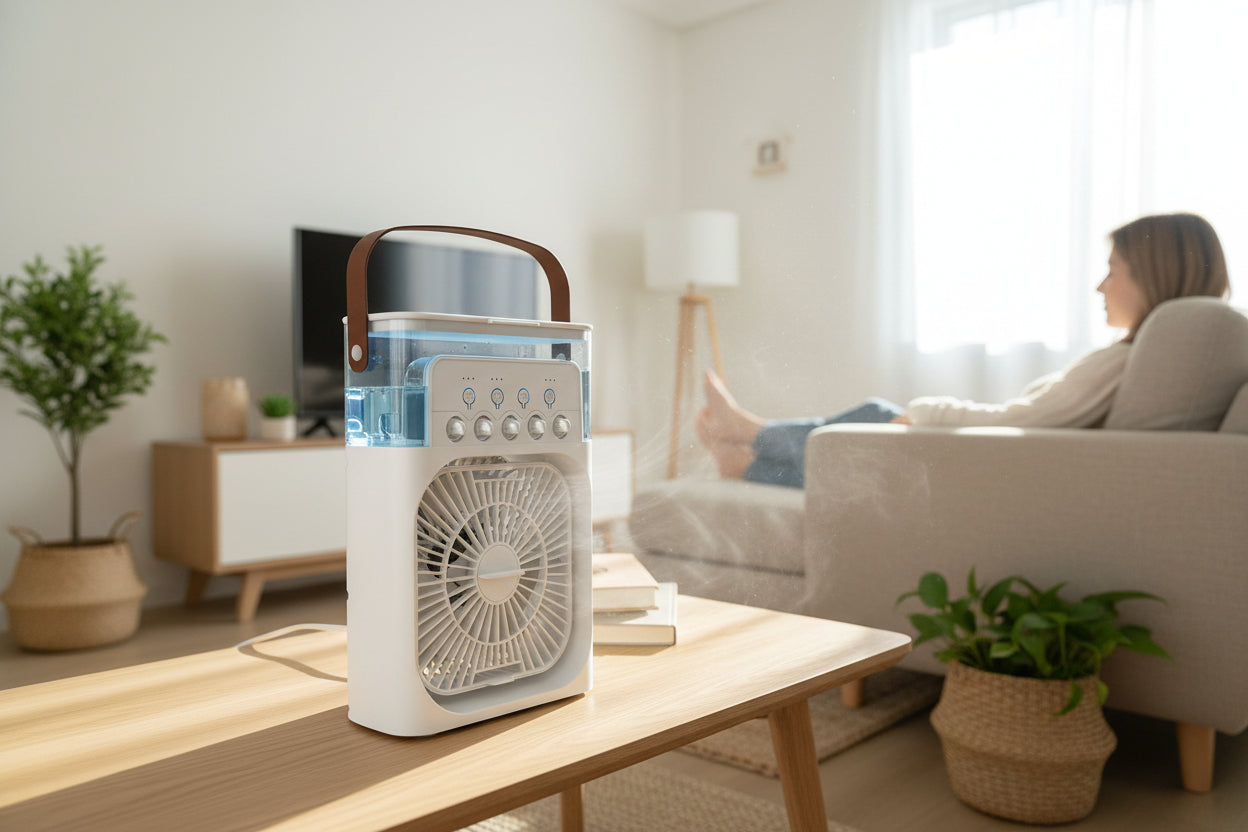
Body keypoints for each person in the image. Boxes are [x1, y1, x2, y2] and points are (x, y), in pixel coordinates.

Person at [696, 212, 1232, 488]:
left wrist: (926, 413)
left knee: (879, 420)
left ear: (1154, 275)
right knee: (862, 447)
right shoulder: (1141, 358)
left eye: (1113, 271)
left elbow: (1027, 416)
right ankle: (743, 458)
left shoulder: (1121, 360)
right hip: (1001, 463)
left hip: (986, 463)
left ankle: (746, 434)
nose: (1100, 287)